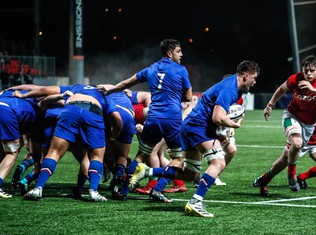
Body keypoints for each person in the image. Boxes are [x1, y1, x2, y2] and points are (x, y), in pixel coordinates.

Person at [131, 60, 260, 217]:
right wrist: (234, 124)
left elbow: (215, 116)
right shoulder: (229, 89)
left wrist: (219, 131)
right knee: (218, 162)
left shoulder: (231, 85)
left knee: (190, 174)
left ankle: (147, 172)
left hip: (193, 126)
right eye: (254, 77)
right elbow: (218, 117)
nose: (255, 81)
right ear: (245, 76)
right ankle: (195, 202)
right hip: (197, 127)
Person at [100, 38, 192, 200]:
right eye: (179, 51)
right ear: (169, 53)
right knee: (178, 158)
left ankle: (123, 190)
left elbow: (128, 82)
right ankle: (158, 189)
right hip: (171, 119)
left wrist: (110, 90)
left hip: (153, 118)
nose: (181, 54)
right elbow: (188, 96)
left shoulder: (151, 69)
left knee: (141, 155)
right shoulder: (181, 70)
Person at [253, 55, 316, 196]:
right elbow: (281, 89)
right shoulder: (295, 79)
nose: (308, 73)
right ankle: (292, 176)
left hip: (309, 124)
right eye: (306, 70)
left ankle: (264, 180)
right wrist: (269, 105)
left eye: (311, 70)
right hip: (292, 116)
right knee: (297, 144)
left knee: (285, 159)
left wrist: (313, 90)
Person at [23, 84, 123, 201]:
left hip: (71, 109)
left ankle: (38, 188)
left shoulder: (76, 87)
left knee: (54, 152)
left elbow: (45, 90)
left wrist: (22, 94)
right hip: (93, 111)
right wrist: (113, 136)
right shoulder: (104, 95)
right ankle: (93, 191)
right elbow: (118, 120)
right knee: (96, 156)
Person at [0, 88, 39, 198]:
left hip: (6, 110)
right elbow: (28, 144)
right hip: (7, 113)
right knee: (12, 152)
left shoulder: (9, 92)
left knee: (2, 149)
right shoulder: (34, 108)